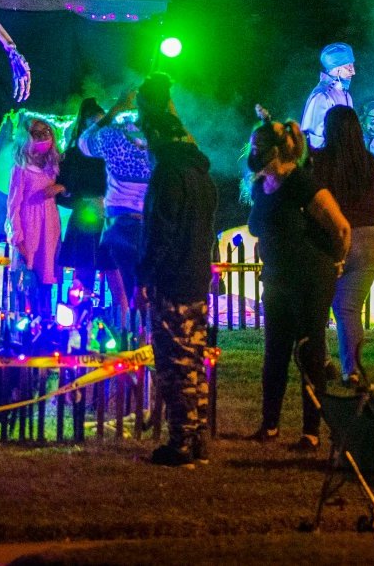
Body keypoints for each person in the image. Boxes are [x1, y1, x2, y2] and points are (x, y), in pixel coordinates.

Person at [246, 116, 351, 451]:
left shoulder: (301, 183)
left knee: (309, 351)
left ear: (277, 149)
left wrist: (337, 262)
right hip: (276, 278)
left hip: (310, 277)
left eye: (258, 146)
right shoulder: (260, 187)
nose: (252, 152)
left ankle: (311, 431)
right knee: (275, 353)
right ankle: (270, 425)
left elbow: (341, 228)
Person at [136, 77, 218, 467]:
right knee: (194, 361)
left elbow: (160, 230)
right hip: (196, 275)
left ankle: (180, 443)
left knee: (174, 365)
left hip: (172, 279)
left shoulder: (168, 173)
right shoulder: (201, 174)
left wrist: (145, 276)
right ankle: (197, 437)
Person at [312, 106, 374, 385]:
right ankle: (352, 371)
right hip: (371, 238)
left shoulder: (322, 161)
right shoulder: (369, 162)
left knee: (317, 304)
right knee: (348, 310)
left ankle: (323, 362)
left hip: (338, 237)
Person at [79, 90, 153, 333]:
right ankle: (146, 339)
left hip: (121, 223)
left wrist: (116, 108)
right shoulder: (157, 139)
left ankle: (132, 340)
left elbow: (84, 142)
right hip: (152, 223)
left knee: (128, 289)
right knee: (148, 289)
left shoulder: (112, 137)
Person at [6, 115, 63, 320]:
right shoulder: (21, 169)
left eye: (46, 133)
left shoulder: (52, 165)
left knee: (47, 274)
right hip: (30, 224)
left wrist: (60, 188)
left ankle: (45, 319)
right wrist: (17, 236)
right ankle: (24, 320)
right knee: (27, 277)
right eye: (37, 134)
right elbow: (13, 204)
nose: (43, 137)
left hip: (49, 225)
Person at [57, 98, 108, 299]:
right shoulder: (73, 155)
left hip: (108, 216)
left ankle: (120, 319)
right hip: (85, 215)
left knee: (114, 270)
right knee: (83, 268)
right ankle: (79, 315)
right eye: (94, 123)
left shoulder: (110, 153)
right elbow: (63, 190)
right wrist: (81, 200)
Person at [300, 42, 355, 150]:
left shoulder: (346, 95)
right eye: (348, 66)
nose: (353, 72)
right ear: (336, 68)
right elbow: (314, 141)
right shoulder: (322, 96)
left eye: (352, 65)